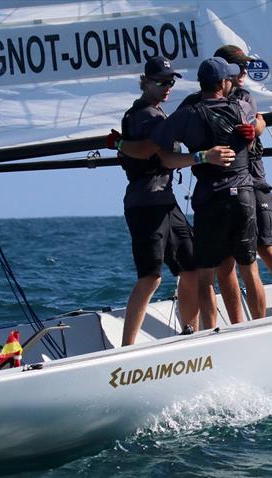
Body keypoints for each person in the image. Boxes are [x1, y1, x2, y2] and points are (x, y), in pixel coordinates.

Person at [148, 56, 267, 329]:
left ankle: (212, 333)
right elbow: (260, 121)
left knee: (206, 276)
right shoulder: (241, 108)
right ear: (224, 83)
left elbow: (162, 153)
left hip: (210, 200)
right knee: (250, 269)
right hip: (244, 198)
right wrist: (255, 129)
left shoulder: (187, 114)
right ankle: (261, 329)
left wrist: (199, 157)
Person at [195, 45, 272, 318]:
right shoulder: (203, 102)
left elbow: (254, 119)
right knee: (225, 264)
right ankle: (237, 327)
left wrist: (258, 126)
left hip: (254, 185)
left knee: (269, 250)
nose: (244, 71)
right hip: (226, 191)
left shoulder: (243, 97)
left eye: (244, 65)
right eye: (238, 66)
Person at [110, 56, 199, 346]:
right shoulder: (148, 115)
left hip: (165, 201)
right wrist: (200, 158)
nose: (168, 87)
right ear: (146, 82)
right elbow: (152, 151)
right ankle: (127, 347)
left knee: (191, 267)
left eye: (171, 81)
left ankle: (191, 334)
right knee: (151, 276)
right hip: (146, 202)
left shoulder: (150, 113)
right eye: (161, 81)